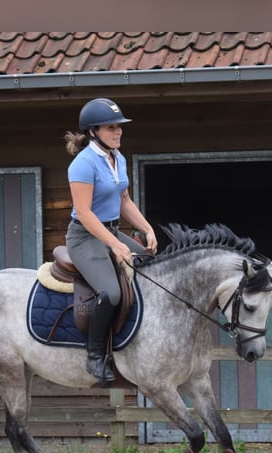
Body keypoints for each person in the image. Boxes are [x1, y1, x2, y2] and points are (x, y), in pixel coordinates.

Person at [64, 97, 158, 386]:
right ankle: (95, 356)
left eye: (119, 127)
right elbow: (84, 213)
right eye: (110, 128)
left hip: (112, 230)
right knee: (111, 292)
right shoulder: (83, 164)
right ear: (93, 132)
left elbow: (124, 199)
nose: (118, 132)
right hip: (85, 236)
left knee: (151, 269)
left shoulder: (119, 158)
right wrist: (116, 245)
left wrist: (146, 228)